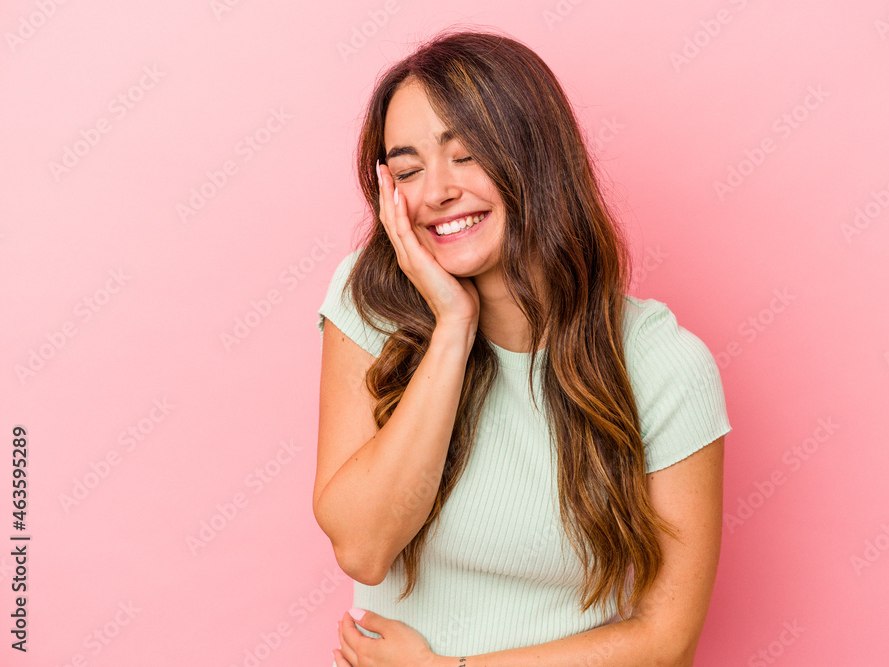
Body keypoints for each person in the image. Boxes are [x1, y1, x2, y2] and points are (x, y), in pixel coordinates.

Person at [313, 27, 731, 667]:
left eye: (465, 155)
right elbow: (364, 548)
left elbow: (665, 643)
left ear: (536, 156)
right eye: (408, 169)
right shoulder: (370, 304)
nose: (436, 192)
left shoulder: (663, 367)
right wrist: (452, 327)